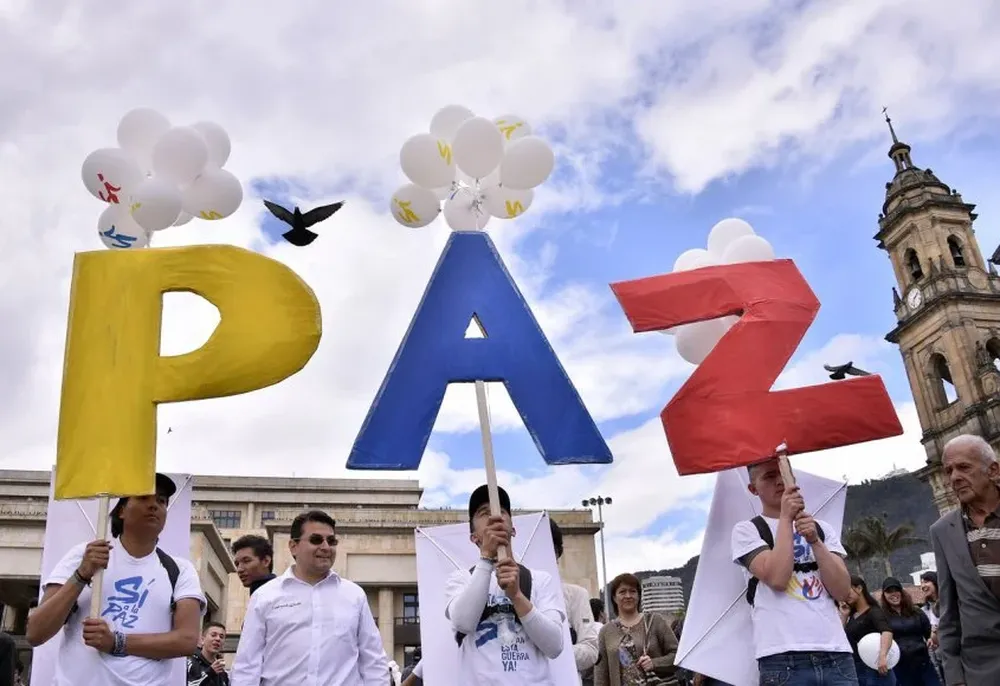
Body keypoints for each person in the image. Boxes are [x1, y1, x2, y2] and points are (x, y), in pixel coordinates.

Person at [26, 473, 205, 686]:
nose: (154, 506)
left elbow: (186, 640)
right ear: (121, 510)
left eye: (161, 501)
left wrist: (117, 642)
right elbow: (36, 632)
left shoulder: (180, 569)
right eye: (143, 498)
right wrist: (81, 574)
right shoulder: (83, 555)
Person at [731, 458, 856, 685]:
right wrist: (786, 518)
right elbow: (777, 578)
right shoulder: (747, 531)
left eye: (783, 475)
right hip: (782, 657)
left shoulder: (821, 527)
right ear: (753, 488)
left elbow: (842, 590)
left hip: (836, 653)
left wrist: (815, 541)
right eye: (769, 477)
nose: (779, 481)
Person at [231, 509, 388, 685]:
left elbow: (374, 662)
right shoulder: (264, 596)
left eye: (331, 540)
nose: (326, 547)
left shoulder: (354, 595)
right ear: (293, 546)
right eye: (316, 540)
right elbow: (246, 665)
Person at [445, 484, 566, 685]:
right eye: (484, 513)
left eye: (501, 512)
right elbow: (463, 622)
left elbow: (554, 646)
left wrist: (517, 596)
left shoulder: (540, 579)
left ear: (513, 529)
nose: (494, 517)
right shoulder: (460, 579)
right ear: (474, 537)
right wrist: (485, 560)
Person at [929, 434, 1000, 686]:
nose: (954, 477)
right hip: (981, 670)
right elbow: (948, 611)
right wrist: (955, 677)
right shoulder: (942, 531)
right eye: (949, 471)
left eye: (964, 467)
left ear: (993, 470)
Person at [594, 572, 678, 686]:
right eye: (622, 592)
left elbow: (677, 655)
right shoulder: (606, 631)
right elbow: (601, 674)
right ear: (614, 597)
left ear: (639, 595)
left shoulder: (655, 621)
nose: (628, 596)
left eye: (632, 591)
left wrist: (654, 663)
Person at [550, 518, 600, 683]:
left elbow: (591, 650)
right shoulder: (508, 597)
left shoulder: (576, 595)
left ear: (558, 554)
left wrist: (549, 651)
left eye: (550, 549)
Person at [879, 577, 938, 685]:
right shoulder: (882, 616)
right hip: (900, 667)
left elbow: (929, 632)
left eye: (896, 590)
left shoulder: (916, 611)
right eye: (889, 592)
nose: (893, 594)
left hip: (923, 662)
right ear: (884, 595)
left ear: (901, 592)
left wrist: (931, 639)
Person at [843, 576, 895, 685]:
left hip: (876, 668)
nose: (845, 594)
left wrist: (882, 655)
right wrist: (844, 616)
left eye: (847, 589)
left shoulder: (874, 612)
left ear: (859, 588)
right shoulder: (852, 616)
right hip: (859, 668)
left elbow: (886, 631)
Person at [918, 572, 944, 682]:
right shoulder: (927, 609)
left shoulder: (949, 601)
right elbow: (934, 636)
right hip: (941, 655)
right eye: (921, 583)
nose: (923, 585)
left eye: (926, 581)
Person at [187, 621, 230, 685]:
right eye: (213, 635)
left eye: (221, 637)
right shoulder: (190, 663)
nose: (218, 639)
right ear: (202, 639)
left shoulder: (223, 672)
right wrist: (210, 673)